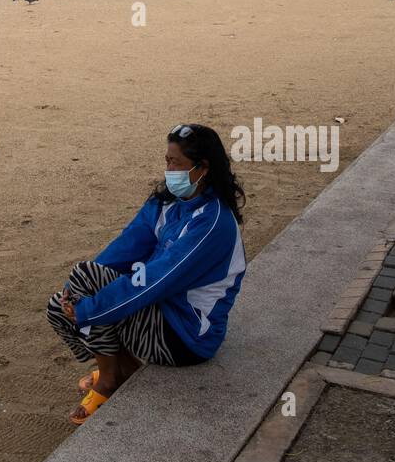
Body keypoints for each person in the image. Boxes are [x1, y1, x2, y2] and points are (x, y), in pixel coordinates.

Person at [47, 124, 246, 425]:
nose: (168, 170)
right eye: (167, 161)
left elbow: (155, 279)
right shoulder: (168, 202)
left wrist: (88, 306)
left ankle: (110, 379)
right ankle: (121, 368)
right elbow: (125, 248)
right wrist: (80, 292)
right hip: (158, 313)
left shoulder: (212, 224)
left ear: (202, 168)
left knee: (90, 302)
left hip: (187, 337)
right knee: (61, 303)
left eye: (175, 163)